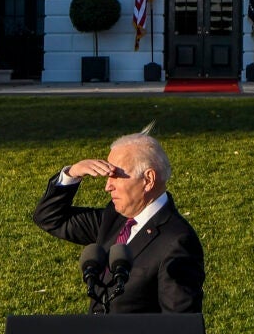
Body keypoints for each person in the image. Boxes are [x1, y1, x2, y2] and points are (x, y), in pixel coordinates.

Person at [31, 128, 204, 313]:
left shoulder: (177, 242)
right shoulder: (114, 218)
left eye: (115, 176)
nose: (108, 186)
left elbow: (178, 326)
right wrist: (72, 173)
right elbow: (50, 218)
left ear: (148, 180)